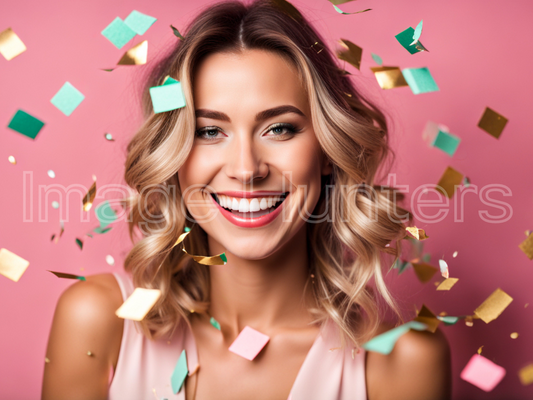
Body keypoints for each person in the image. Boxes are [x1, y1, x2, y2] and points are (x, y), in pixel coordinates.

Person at [42, 0, 451, 399]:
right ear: (173, 157)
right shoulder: (98, 320)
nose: (247, 169)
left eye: (279, 129)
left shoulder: (403, 360)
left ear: (327, 151)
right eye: (208, 131)